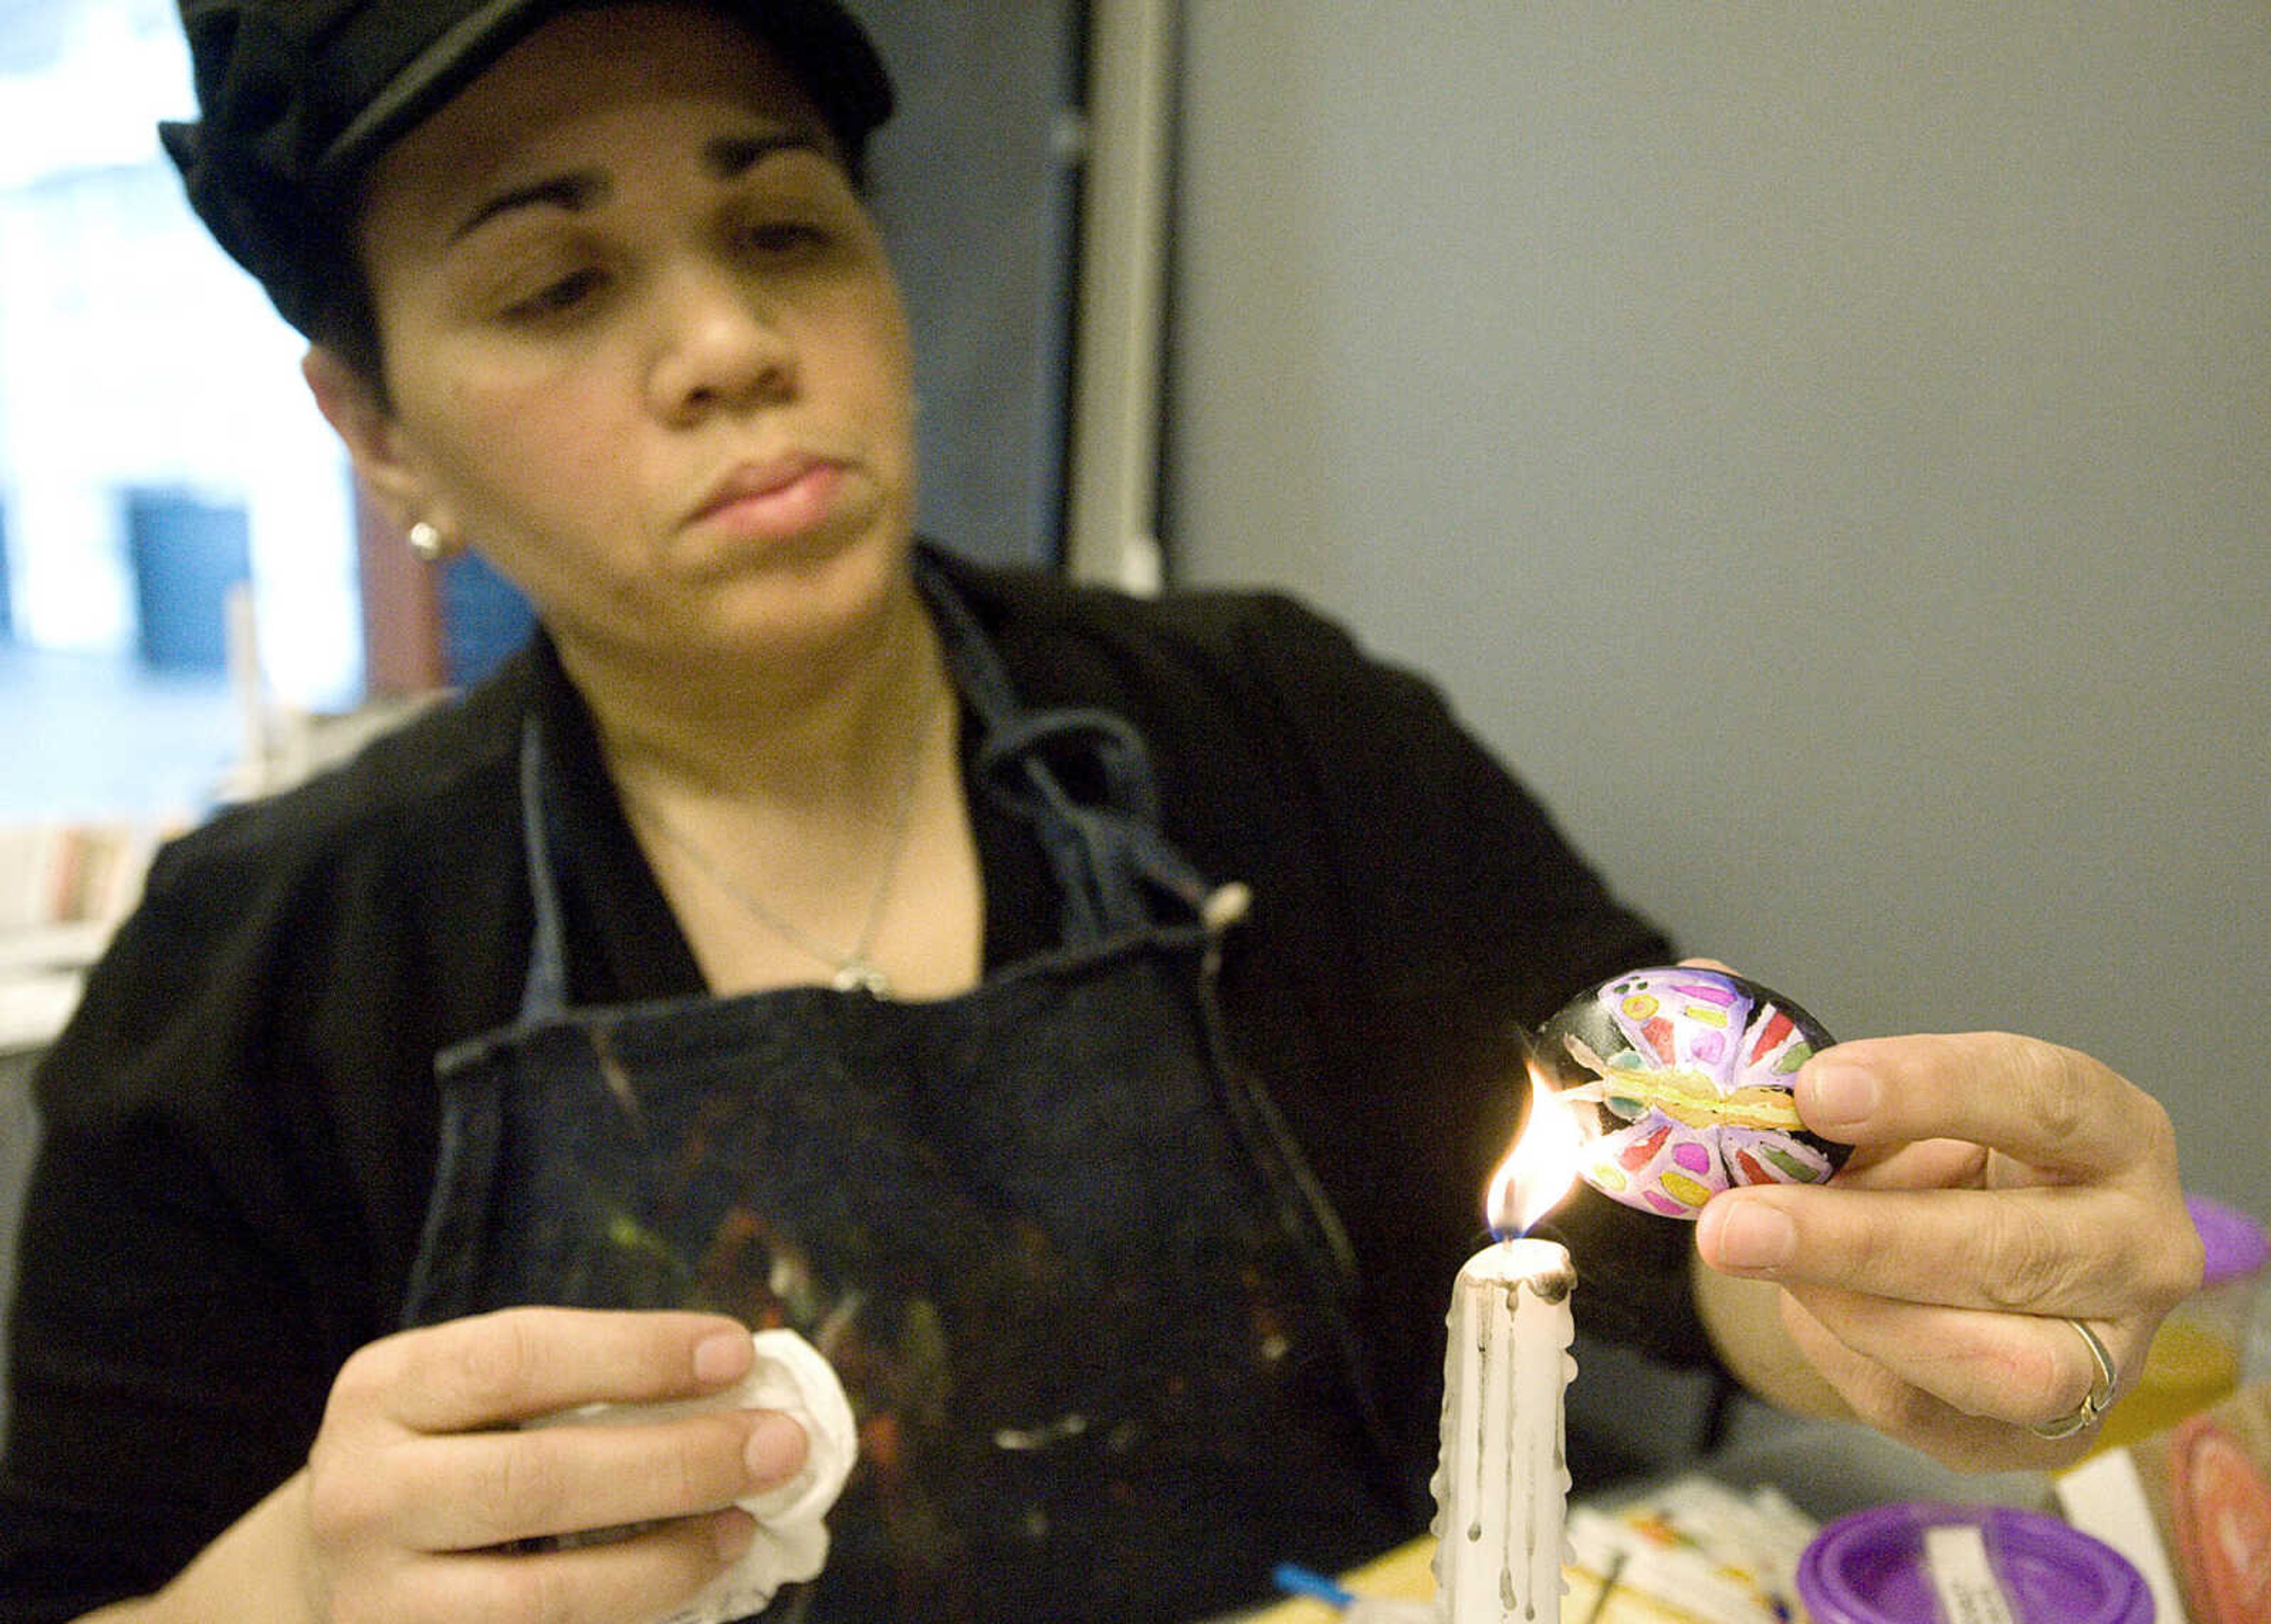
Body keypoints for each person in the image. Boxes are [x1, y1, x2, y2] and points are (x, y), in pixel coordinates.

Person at [0, 2, 2199, 1621]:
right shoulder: (260, 968)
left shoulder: (1274, 732)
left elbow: (1653, 1145)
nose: (728, 345)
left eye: (785, 229)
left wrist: (1889, 1268)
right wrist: (285, 1589)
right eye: (561, 285)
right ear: (375, 426)